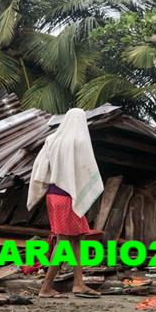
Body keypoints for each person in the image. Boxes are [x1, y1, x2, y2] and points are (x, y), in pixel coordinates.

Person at [27, 108, 104, 298]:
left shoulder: (53, 140)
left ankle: (79, 283)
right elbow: (86, 169)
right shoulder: (80, 141)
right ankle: (45, 288)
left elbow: (40, 167)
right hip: (68, 197)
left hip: (53, 196)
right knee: (63, 243)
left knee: (77, 238)